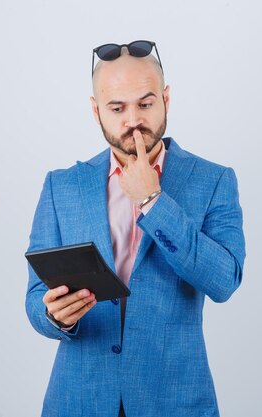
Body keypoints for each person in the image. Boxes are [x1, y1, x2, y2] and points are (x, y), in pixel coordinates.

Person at [25, 40, 246, 417]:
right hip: (79, 401)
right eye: (117, 108)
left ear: (166, 100)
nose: (133, 120)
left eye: (145, 104)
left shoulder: (214, 181)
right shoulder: (62, 186)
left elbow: (224, 281)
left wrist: (153, 202)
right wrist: (54, 316)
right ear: (96, 111)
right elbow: (34, 299)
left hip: (175, 401)